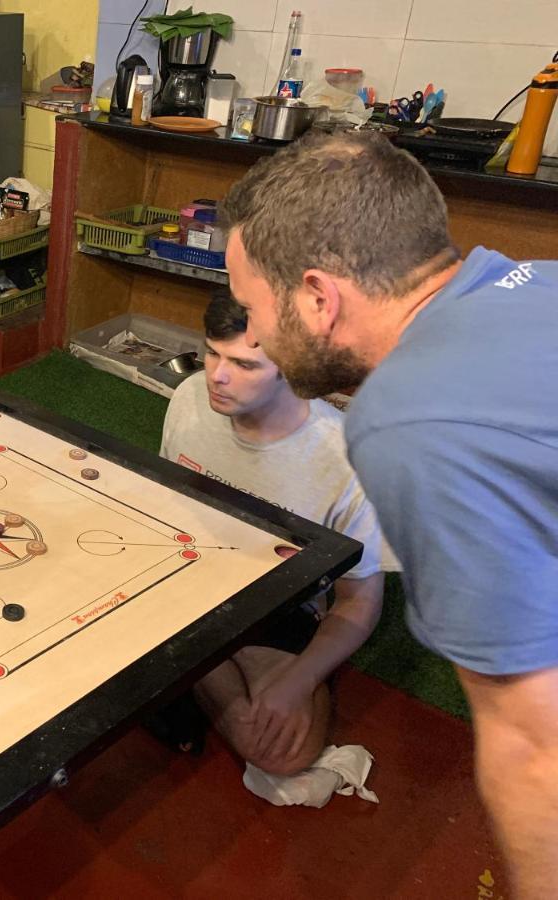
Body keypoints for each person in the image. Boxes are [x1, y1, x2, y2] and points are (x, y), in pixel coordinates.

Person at [218, 130, 558, 897]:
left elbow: (535, 744)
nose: (258, 335)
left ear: (315, 296)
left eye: (252, 309)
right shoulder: (533, 281)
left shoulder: (412, 419)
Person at [155, 290, 387, 775]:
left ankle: (197, 664)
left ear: (293, 371)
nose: (215, 375)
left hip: (275, 604)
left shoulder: (348, 460)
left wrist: (298, 680)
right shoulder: (188, 399)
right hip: (182, 576)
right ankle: (212, 663)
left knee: (286, 755)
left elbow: (359, 601)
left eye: (243, 364)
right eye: (212, 352)